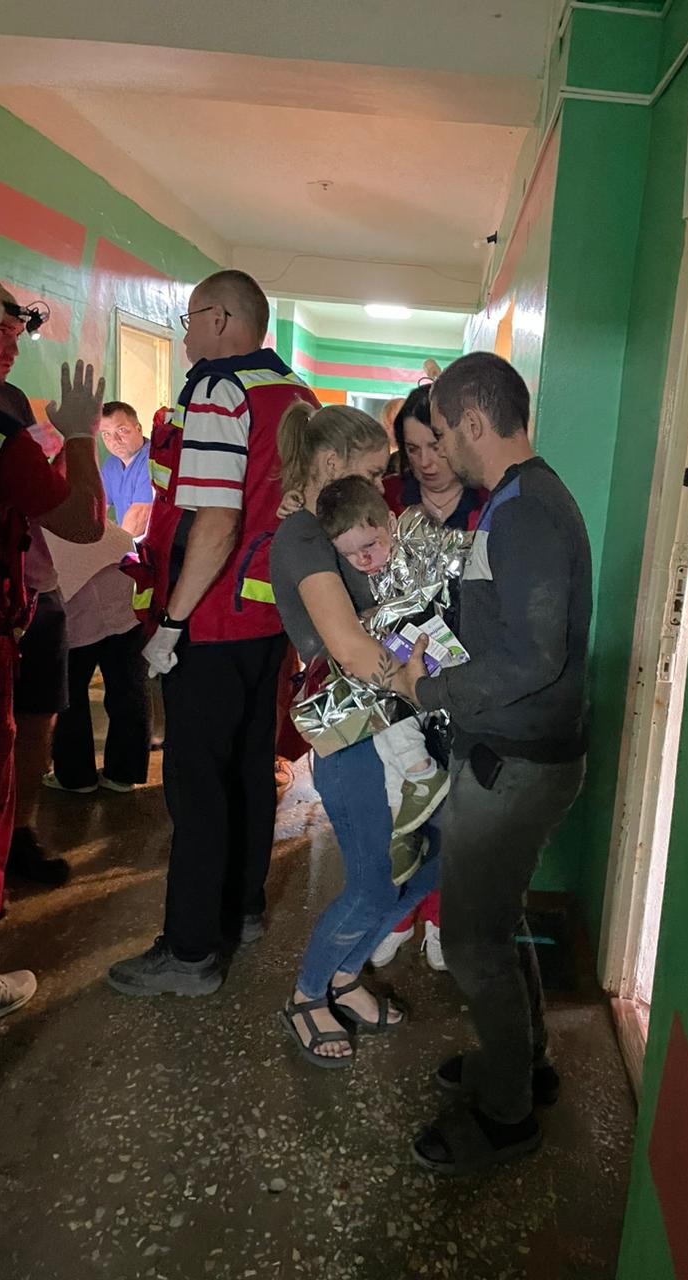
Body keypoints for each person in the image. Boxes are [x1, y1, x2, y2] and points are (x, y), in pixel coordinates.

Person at [389, 352, 592, 1176]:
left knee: (473, 942)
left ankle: (506, 1117)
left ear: (474, 422)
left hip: (512, 763)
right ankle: (524, 1065)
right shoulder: (515, 501)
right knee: (497, 927)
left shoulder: (525, 512)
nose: (439, 447)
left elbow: (534, 657)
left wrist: (429, 687)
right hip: (508, 752)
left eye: (442, 431)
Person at [107, 269, 319, 998]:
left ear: (222, 318)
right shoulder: (294, 392)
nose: (186, 331)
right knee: (250, 766)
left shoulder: (220, 390)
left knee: (196, 785)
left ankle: (191, 951)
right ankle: (242, 909)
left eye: (191, 317)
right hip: (269, 620)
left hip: (213, 618)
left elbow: (217, 520)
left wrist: (171, 622)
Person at [268, 402, 441, 1068]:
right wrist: (429, 687)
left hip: (391, 718)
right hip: (352, 731)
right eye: (372, 473)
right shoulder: (302, 536)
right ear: (331, 462)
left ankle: (344, 977)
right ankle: (308, 994)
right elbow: (347, 646)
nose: (380, 486)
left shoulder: (332, 525)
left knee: (434, 856)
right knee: (373, 884)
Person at [0, 279, 106, 1022]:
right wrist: (82, 435)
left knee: (33, 727)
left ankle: (18, 841)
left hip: (26, 599)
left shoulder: (7, 410)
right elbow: (81, 519)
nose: (8, 338)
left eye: (15, 324)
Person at [373, 382, 486, 971]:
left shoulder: (489, 504)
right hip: (394, 673)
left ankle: (439, 919)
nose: (425, 462)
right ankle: (398, 916)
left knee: (454, 808)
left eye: (434, 446)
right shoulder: (386, 498)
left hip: (463, 676)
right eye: (412, 449)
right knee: (399, 807)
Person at [314, 475, 450, 883]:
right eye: (349, 554)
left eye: (370, 546)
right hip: (403, 680)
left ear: (390, 522)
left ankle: (422, 773)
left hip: (431, 673)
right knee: (383, 740)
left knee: (387, 716)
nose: (362, 559)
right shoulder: (367, 572)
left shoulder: (416, 550)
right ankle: (402, 825)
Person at [43, 520, 150, 794]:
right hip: (122, 580)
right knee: (128, 686)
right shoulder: (81, 504)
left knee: (70, 691)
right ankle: (124, 773)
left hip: (73, 593)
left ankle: (75, 777)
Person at [99, 401, 153, 538]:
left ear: (138, 429)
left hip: (154, 545)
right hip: (127, 540)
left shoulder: (153, 459)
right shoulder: (111, 464)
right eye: (106, 434)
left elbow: (139, 517)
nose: (114, 440)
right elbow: (97, 510)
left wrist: (116, 548)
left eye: (121, 430)